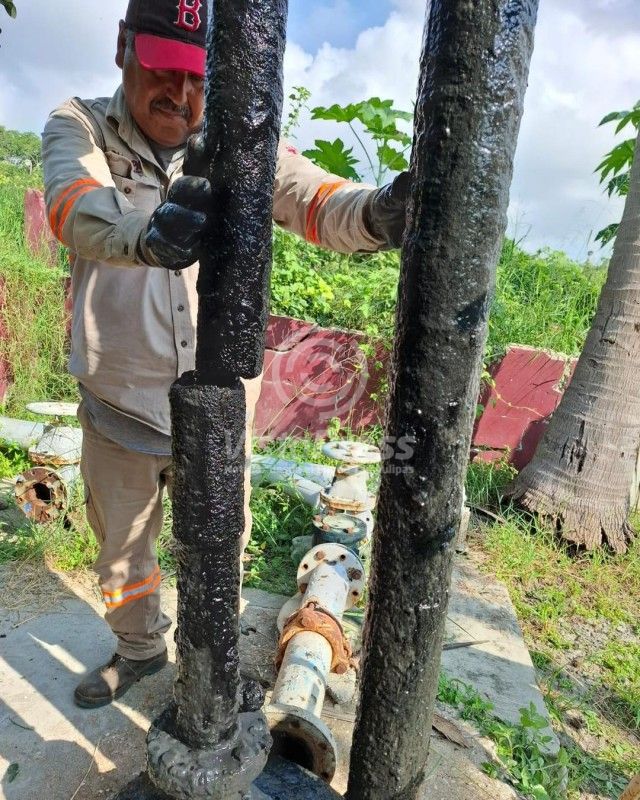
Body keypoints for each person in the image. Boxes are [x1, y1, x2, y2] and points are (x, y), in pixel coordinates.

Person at [42, 0, 408, 709]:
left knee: (219, 549)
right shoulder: (80, 125)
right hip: (121, 404)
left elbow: (316, 199)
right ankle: (139, 649)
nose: (179, 94)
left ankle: (211, 662)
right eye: (162, 69)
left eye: (196, 77)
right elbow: (71, 203)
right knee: (122, 558)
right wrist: (146, 235)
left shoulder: (240, 142)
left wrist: (380, 212)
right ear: (123, 47)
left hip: (218, 415)